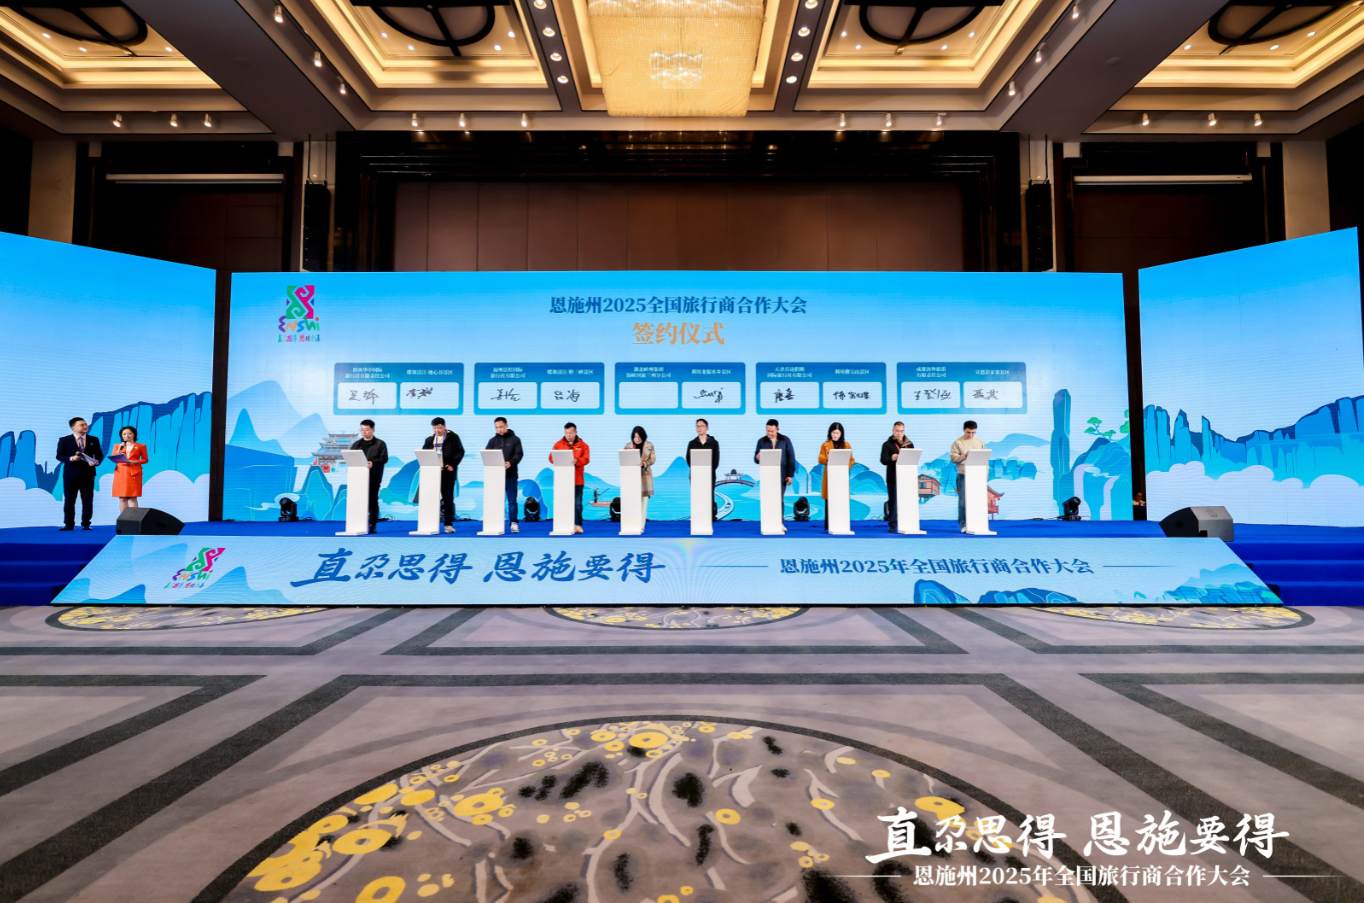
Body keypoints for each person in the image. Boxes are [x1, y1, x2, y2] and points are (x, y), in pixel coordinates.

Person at [56, 417, 102, 531]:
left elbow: (99, 455)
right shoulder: (64, 440)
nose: (85, 426)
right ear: (73, 428)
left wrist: (96, 462)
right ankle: (69, 524)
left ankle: (86, 524)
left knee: (87, 499)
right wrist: (72, 458)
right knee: (69, 500)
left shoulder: (93, 439)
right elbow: (59, 456)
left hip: (88, 474)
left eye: (85, 424)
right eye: (81, 425)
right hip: (71, 475)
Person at [423, 417, 465, 533]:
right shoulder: (429, 440)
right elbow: (424, 453)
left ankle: (448, 524)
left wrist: (453, 464)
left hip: (447, 472)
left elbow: (460, 451)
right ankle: (429, 523)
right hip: (433, 473)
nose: (437, 431)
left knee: (448, 499)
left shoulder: (453, 437)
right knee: (431, 498)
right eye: (435, 428)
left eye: (439, 428)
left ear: (444, 427)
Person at [753, 418, 796, 532]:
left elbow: (791, 458)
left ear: (777, 429)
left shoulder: (785, 440)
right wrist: (757, 458)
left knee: (779, 500)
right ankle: (768, 522)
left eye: (771, 431)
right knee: (768, 500)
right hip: (767, 476)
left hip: (781, 475)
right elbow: (755, 459)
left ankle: (779, 522)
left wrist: (790, 475)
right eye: (767, 431)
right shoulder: (761, 441)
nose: (769, 433)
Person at [550, 422, 591, 533]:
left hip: (577, 479)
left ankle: (577, 525)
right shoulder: (558, 444)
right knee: (563, 502)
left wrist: (577, 461)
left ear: (575, 432)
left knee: (577, 504)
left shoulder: (583, 445)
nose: (568, 435)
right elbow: (551, 458)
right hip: (562, 480)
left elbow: (586, 459)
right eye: (566, 433)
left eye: (570, 433)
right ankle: (563, 523)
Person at [350, 419, 389, 534]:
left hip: (373, 477)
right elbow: (351, 458)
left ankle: (372, 524)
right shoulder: (357, 444)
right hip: (358, 477)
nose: (364, 432)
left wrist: (373, 463)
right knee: (358, 500)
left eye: (366, 430)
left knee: (372, 500)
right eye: (362, 430)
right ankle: (358, 522)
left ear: (373, 430)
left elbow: (384, 458)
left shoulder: (380, 444)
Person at [486, 417, 524, 533]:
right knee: (495, 500)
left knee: (512, 501)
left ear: (506, 425)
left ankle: (513, 523)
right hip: (496, 476)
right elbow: (487, 455)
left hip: (510, 475)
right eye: (497, 427)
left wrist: (511, 462)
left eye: (501, 427)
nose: (499, 429)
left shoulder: (515, 439)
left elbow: (519, 454)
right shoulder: (492, 441)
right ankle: (495, 522)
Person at [950, 420, 986, 529]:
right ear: (963, 430)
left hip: (977, 474)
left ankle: (976, 522)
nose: (971, 435)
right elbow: (953, 459)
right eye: (968, 432)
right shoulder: (958, 442)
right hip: (963, 474)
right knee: (963, 501)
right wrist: (965, 456)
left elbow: (985, 459)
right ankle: (963, 524)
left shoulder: (979, 442)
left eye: (973, 432)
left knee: (977, 500)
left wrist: (986, 473)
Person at [818, 422, 854, 532]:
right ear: (830, 433)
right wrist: (828, 459)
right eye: (833, 433)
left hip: (841, 477)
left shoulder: (847, 445)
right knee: (829, 500)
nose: (835, 435)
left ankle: (841, 523)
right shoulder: (825, 445)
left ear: (841, 434)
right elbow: (820, 459)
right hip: (830, 476)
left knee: (841, 500)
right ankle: (829, 525)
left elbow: (851, 460)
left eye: (837, 433)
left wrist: (845, 467)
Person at [880, 421, 915, 532]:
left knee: (906, 500)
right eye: (897, 431)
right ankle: (893, 524)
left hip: (906, 477)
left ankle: (907, 521)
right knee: (894, 502)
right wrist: (892, 458)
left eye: (902, 431)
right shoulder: (887, 444)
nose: (900, 433)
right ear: (893, 431)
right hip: (893, 477)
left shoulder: (909, 444)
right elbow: (883, 460)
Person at [686, 418, 720, 520]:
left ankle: (710, 516)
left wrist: (708, 470)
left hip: (709, 474)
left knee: (709, 495)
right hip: (696, 474)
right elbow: (688, 459)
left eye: (701, 426)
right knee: (697, 496)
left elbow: (716, 460)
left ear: (707, 428)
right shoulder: (692, 443)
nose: (699, 428)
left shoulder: (714, 443)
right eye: (697, 426)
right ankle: (697, 516)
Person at [111, 425, 148, 515]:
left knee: (132, 497)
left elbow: (145, 459)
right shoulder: (117, 446)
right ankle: (123, 519)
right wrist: (120, 448)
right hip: (121, 473)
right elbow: (113, 457)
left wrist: (134, 461)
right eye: (124, 434)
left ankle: (133, 518)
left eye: (129, 434)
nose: (127, 436)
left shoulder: (141, 446)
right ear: (121, 435)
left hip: (134, 473)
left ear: (134, 434)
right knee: (122, 497)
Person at [625, 426, 656, 523]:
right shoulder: (628, 447)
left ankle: (641, 526)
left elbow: (653, 459)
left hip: (645, 476)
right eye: (635, 437)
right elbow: (624, 460)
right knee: (633, 502)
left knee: (644, 503)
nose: (637, 439)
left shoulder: (649, 445)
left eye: (639, 437)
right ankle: (633, 524)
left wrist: (644, 463)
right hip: (632, 477)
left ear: (643, 436)